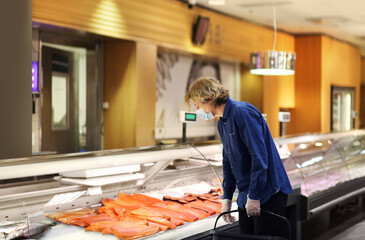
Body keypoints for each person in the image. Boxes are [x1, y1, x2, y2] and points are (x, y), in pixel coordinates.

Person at [184, 77, 293, 238]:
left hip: (268, 192)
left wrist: (255, 195)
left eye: (197, 104)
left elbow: (259, 157)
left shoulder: (242, 112)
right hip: (246, 194)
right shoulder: (222, 122)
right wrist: (226, 199)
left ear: (209, 98)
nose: (197, 108)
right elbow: (228, 162)